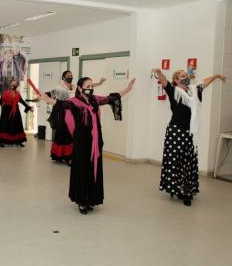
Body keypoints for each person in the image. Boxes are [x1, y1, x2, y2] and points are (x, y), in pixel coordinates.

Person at [39, 77, 135, 215]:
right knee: (82, 168)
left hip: (96, 140)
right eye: (87, 86)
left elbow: (111, 98)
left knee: (93, 168)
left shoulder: (95, 99)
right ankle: (82, 201)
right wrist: (47, 99)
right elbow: (61, 104)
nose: (90, 88)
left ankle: (91, 198)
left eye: (91, 86)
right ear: (79, 88)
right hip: (82, 141)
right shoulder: (74, 102)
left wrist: (128, 88)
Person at [152, 68, 226, 206]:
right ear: (176, 80)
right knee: (175, 161)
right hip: (175, 131)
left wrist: (216, 75)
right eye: (181, 76)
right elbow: (163, 80)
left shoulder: (195, 90)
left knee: (187, 162)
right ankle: (175, 188)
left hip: (189, 133)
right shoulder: (173, 90)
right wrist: (159, 71)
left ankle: (186, 192)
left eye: (186, 75)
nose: (185, 77)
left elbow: (205, 82)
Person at [48, 71, 106, 164]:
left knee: (74, 135)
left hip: (74, 113)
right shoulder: (59, 88)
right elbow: (51, 94)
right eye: (68, 76)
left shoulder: (74, 86)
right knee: (65, 136)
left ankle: (73, 156)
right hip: (65, 113)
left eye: (71, 75)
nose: (70, 77)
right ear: (63, 77)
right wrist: (44, 97)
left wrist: (99, 83)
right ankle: (65, 156)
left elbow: (87, 86)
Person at [0, 79, 32, 147]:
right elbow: (0, 101)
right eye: (13, 84)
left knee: (17, 126)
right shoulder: (6, 93)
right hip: (6, 111)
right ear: (9, 85)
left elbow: (22, 101)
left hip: (16, 111)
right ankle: (2, 141)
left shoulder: (17, 94)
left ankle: (19, 140)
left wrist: (28, 107)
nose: (14, 85)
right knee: (5, 125)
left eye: (15, 84)